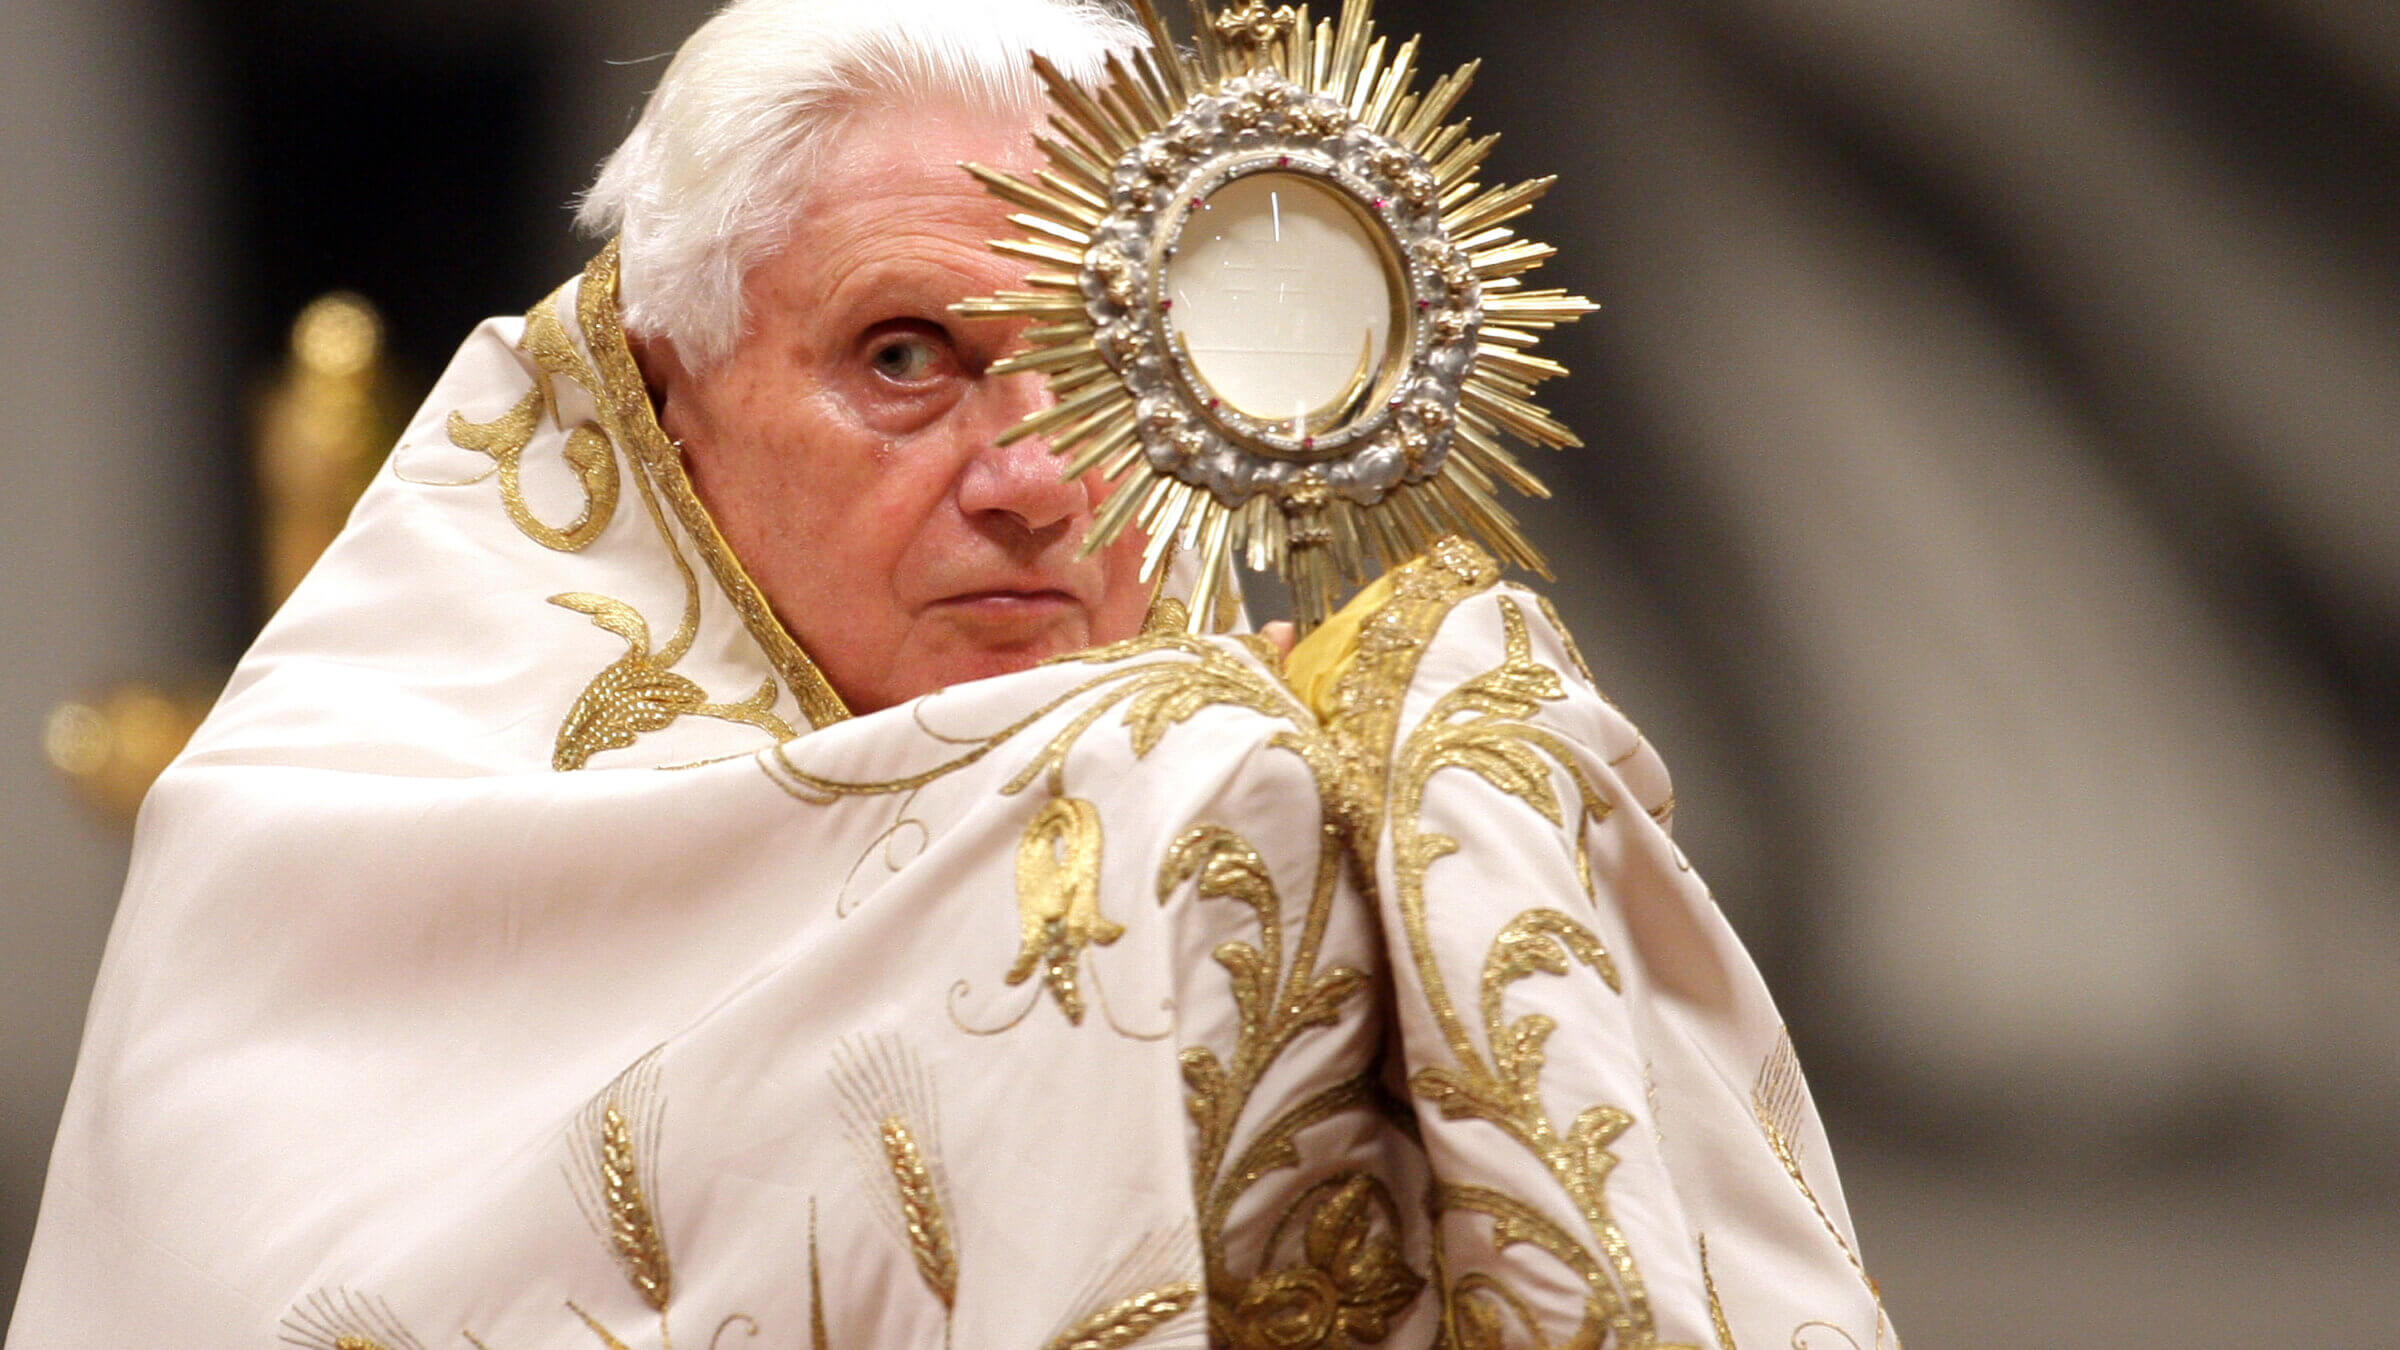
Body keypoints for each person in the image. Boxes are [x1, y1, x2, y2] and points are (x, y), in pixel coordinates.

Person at [8, 2, 1894, 1347]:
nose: (1037, 476)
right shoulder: (347, 846)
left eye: (1110, 361)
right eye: (905, 356)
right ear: (661, 408)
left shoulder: (1373, 830)